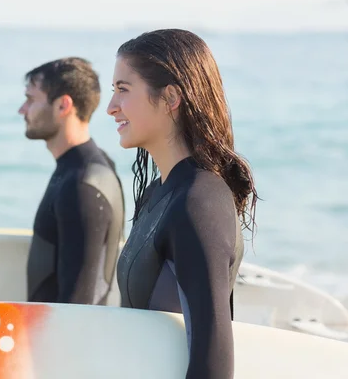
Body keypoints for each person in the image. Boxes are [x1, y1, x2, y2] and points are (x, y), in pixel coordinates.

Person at [107, 29, 258, 379]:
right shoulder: (159, 193)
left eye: (122, 90)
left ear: (171, 97)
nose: (111, 107)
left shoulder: (199, 202)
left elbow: (214, 362)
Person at [18, 57, 126, 305]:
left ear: (63, 105)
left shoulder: (81, 186)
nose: (22, 110)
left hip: (68, 340)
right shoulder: (88, 168)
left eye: (31, 99)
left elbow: (79, 303)